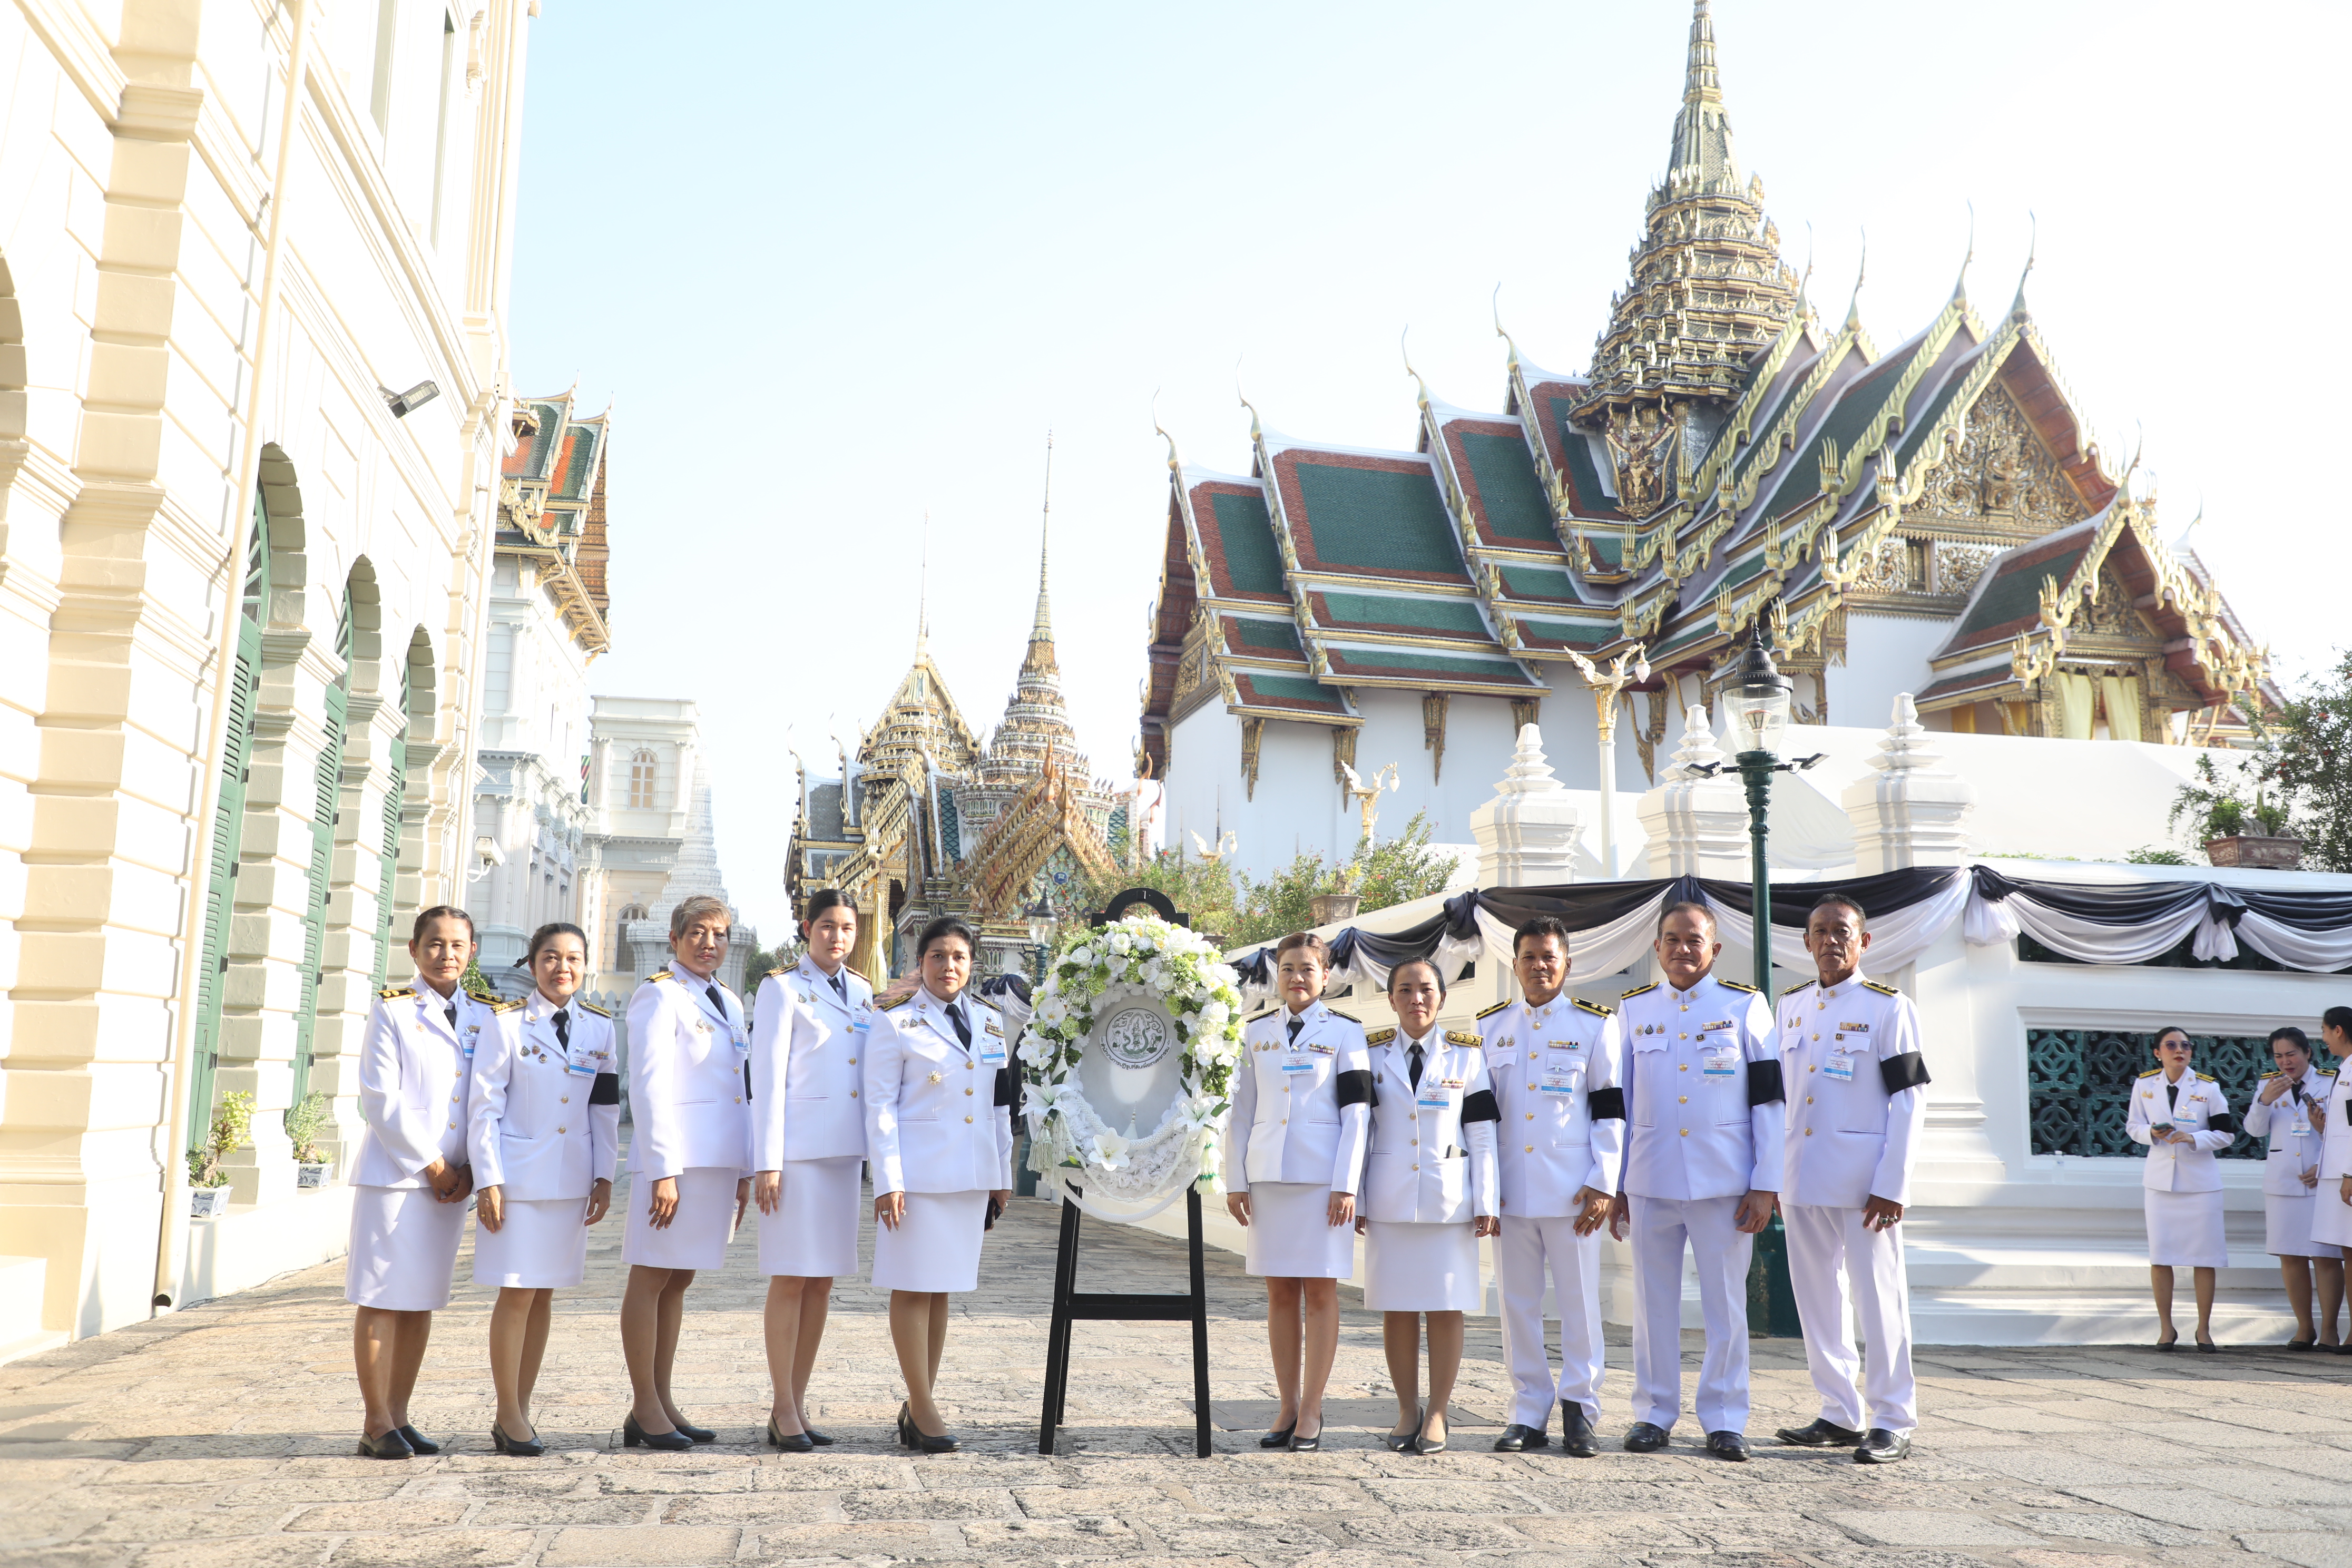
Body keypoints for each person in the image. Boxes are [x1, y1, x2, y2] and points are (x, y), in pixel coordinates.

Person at [1611, 900, 1781, 1462]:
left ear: (1714, 948)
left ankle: (1725, 1418)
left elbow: (1769, 1099)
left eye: (1693, 940)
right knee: (1652, 1304)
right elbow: (1623, 1104)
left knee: (1726, 1306)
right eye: (1671, 939)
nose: (1682, 949)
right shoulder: (1634, 1011)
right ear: (1656, 947)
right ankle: (1654, 1413)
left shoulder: (1745, 1006)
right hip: (1651, 1178)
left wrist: (1766, 1181)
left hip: (1724, 1182)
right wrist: (1615, 1184)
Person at [1771, 895, 1929, 1465]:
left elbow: (1910, 1101)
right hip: (1801, 1178)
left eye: (1843, 931)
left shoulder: (1888, 1008)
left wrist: (1895, 1183)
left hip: (1867, 1185)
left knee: (1879, 1298)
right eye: (1820, 931)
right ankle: (1838, 1410)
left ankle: (1892, 1417)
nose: (1831, 940)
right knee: (1818, 1301)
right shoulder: (1789, 1008)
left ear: (1865, 943)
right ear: (1806, 943)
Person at [346, 906, 502, 1459]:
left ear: (472, 952)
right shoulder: (391, 1011)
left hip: (452, 1184)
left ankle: (402, 1414)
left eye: (458, 944)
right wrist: (435, 1166)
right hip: (398, 1177)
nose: (447, 954)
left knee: (419, 1302)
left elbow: (487, 1097)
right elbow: (381, 1101)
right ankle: (375, 1419)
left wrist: (474, 1173)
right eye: (435, 944)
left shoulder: (485, 1016)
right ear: (414, 950)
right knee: (382, 1297)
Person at [865, 915, 1015, 1454]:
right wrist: (888, 1179)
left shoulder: (991, 1022)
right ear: (920, 963)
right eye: (938, 957)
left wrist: (1002, 1175)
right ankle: (923, 1404)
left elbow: (1000, 1106)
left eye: (959, 957)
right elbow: (879, 1107)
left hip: (971, 1175)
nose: (949, 966)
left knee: (942, 1287)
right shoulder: (895, 1022)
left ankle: (920, 1400)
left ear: (971, 965)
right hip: (918, 1177)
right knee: (912, 1285)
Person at [468, 922, 619, 1456]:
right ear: (533, 965)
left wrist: (605, 1174)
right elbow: (483, 1108)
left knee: (544, 1294)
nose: (563, 968)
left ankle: (521, 1406)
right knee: (517, 1291)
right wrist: (488, 1179)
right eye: (552, 958)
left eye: (574, 959)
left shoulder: (599, 1028)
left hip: (571, 1178)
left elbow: (603, 1108)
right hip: (518, 1180)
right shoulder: (505, 1024)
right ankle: (507, 1411)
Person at [1482, 915, 1624, 1458]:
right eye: (1529, 957)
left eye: (1549, 957)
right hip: (1510, 1192)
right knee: (1517, 1303)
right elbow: (1482, 1118)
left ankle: (1581, 1410)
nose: (1539, 966)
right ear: (1514, 964)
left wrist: (1604, 1181)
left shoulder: (1594, 1025)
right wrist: (1485, 1183)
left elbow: (1610, 1108)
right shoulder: (1492, 1027)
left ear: (1567, 963)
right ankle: (1528, 1410)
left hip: (1574, 1192)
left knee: (1579, 1303)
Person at [1224, 932, 1371, 1452]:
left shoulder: (1347, 1035)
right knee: (1281, 1293)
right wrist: (1236, 1179)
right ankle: (1286, 1405)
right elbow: (1239, 1114)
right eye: (1288, 968)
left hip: (1322, 1184)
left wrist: (1347, 1185)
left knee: (1322, 1293)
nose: (1297, 978)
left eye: (1308, 969)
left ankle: (1312, 1409)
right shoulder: (1255, 1034)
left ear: (1325, 975)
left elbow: (1358, 1117)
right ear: (1276, 974)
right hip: (1269, 1179)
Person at [620, 894, 753, 1449]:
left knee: (680, 1281)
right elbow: (649, 1087)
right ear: (675, 938)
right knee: (651, 1276)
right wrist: (662, 1170)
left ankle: (664, 1399)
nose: (709, 944)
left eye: (719, 934)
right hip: (676, 1163)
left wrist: (745, 1167)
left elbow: (738, 1091)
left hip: (717, 1162)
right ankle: (643, 1406)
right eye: (698, 933)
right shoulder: (659, 996)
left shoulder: (729, 1001)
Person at [1356, 958, 1500, 1456]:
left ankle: (1438, 1412)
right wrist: (1354, 1194)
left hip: (1448, 1199)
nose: (1416, 999)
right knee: (1396, 1308)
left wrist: (1487, 1198)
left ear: (1441, 997)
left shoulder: (1468, 1057)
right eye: (1406, 990)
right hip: (1389, 1197)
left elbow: (1482, 1134)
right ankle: (1405, 1409)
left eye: (1426, 990)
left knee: (1445, 1306)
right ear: (1391, 999)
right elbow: (1360, 1131)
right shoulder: (1370, 1055)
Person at [750, 889, 874, 1451]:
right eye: (828, 926)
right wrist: (767, 1162)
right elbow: (768, 1082)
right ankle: (780, 1404)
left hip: (843, 1156)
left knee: (822, 1281)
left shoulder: (865, 993)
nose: (838, 937)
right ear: (807, 928)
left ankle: (797, 1403)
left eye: (847, 928)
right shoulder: (781, 989)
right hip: (796, 1157)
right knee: (791, 1276)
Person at [2127, 1025, 2235, 1351]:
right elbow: (2133, 1126)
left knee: (2204, 1258)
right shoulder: (2145, 1084)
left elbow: (2227, 1134)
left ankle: (2203, 1330)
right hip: (2161, 1183)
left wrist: (2194, 1138)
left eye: (2185, 1046)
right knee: (2161, 1257)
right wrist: (2151, 1133)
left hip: (2200, 1184)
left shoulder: (2208, 1088)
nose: (2180, 1050)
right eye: (2171, 1045)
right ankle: (2166, 1329)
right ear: (2158, 1052)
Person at [2246, 1025, 2343, 1350]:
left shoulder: (2331, 1080)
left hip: (2321, 1179)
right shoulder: (2268, 1085)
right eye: (2279, 1056)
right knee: (2290, 1256)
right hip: (2284, 1181)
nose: (2286, 1062)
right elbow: (2254, 1130)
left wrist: (2326, 1163)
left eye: (2291, 1054)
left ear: (2307, 1053)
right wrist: (2264, 1101)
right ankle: (2305, 1328)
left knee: (2325, 1256)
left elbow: (2342, 1130)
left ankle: (2329, 1329)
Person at [2304, 1007, 2352, 1353]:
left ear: (2338, 1030)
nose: (2322, 1038)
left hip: (2346, 1176)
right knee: (2344, 1253)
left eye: (2323, 1030)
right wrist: (2322, 1127)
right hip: (2335, 1172)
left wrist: (2351, 1174)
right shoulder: (2343, 1070)